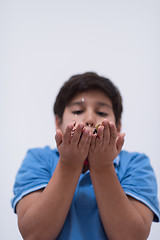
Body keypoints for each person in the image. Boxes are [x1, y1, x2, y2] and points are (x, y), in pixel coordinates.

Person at [11, 72, 159, 240]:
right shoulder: (38, 159)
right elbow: (34, 235)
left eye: (102, 113)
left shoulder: (136, 164)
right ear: (58, 122)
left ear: (117, 127)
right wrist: (69, 164)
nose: (89, 119)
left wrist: (102, 166)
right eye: (78, 110)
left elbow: (132, 236)